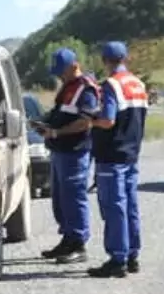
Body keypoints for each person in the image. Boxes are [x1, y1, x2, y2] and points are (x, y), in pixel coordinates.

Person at [88, 41, 148, 278]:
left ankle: (117, 259)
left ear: (105, 61)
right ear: (126, 58)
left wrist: (91, 120)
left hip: (111, 154)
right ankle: (133, 254)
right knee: (130, 206)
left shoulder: (111, 85)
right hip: (132, 153)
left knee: (114, 207)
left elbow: (108, 120)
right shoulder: (138, 84)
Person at [37, 47, 100, 264]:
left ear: (74, 66)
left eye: (61, 71)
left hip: (75, 151)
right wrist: (45, 125)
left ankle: (79, 243)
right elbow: (62, 114)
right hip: (59, 150)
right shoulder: (68, 87)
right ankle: (67, 238)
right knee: (61, 198)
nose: (58, 75)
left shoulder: (86, 89)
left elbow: (85, 122)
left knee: (74, 197)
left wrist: (56, 132)